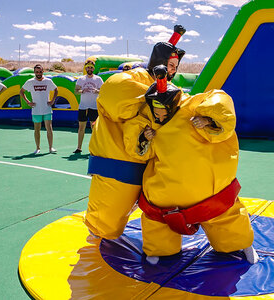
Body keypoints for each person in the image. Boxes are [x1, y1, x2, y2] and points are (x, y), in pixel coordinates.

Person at [123, 65, 258, 265]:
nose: (160, 117)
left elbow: (222, 105)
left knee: (225, 220)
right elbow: (137, 148)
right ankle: (158, 248)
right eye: (156, 113)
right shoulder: (148, 118)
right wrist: (143, 137)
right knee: (158, 225)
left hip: (207, 191)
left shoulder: (193, 107)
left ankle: (241, 243)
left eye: (162, 112)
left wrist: (208, 119)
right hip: (165, 193)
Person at [85, 25, 186, 240]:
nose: (173, 71)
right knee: (105, 226)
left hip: (147, 164)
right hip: (116, 162)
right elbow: (111, 94)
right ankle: (97, 230)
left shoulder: (167, 88)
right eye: (170, 65)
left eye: (175, 67)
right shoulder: (135, 79)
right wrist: (149, 94)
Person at [20, 64, 58, 154]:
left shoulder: (48, 81)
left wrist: (52, 100)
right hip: (36, 110)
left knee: (49, 128)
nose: (39, 73)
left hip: (47, 109)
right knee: (37, 129)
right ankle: (37, 148)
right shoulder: (30, 82)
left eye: (40, 71)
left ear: (43, 71)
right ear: (34, 72)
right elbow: (21, 92)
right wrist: (28, 102)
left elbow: (56, 90)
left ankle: (50, 147)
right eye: (37, 72)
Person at [73, 60, 104, 154]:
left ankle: (95, 148)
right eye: (88, 67)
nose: (89, 69)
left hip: (94, 107)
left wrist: (97, 91)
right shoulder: (81, 79)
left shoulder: (98, 79)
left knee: (94, 128)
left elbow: (103, 91)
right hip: (83, 107)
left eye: (91, 67)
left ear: (93, 69)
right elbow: (76, 91)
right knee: (81, 127)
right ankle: (79, 147)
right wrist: (82, 91)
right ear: (85, 68)